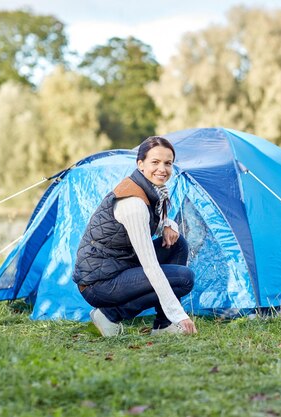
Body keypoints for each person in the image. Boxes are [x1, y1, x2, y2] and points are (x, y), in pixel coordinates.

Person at [73, 136, 197, 336]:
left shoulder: (151, 191)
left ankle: (163, 325)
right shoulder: (133, 203)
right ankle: (110, 315)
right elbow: (150, 266)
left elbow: (151, 224)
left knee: (177, 244)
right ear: (140, 164)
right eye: (155, 162)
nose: (162, 169)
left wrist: (169, 224)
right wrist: (179, 314)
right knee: (184, 278)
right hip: (98, 283)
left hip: (119, 265)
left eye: (168, 163)